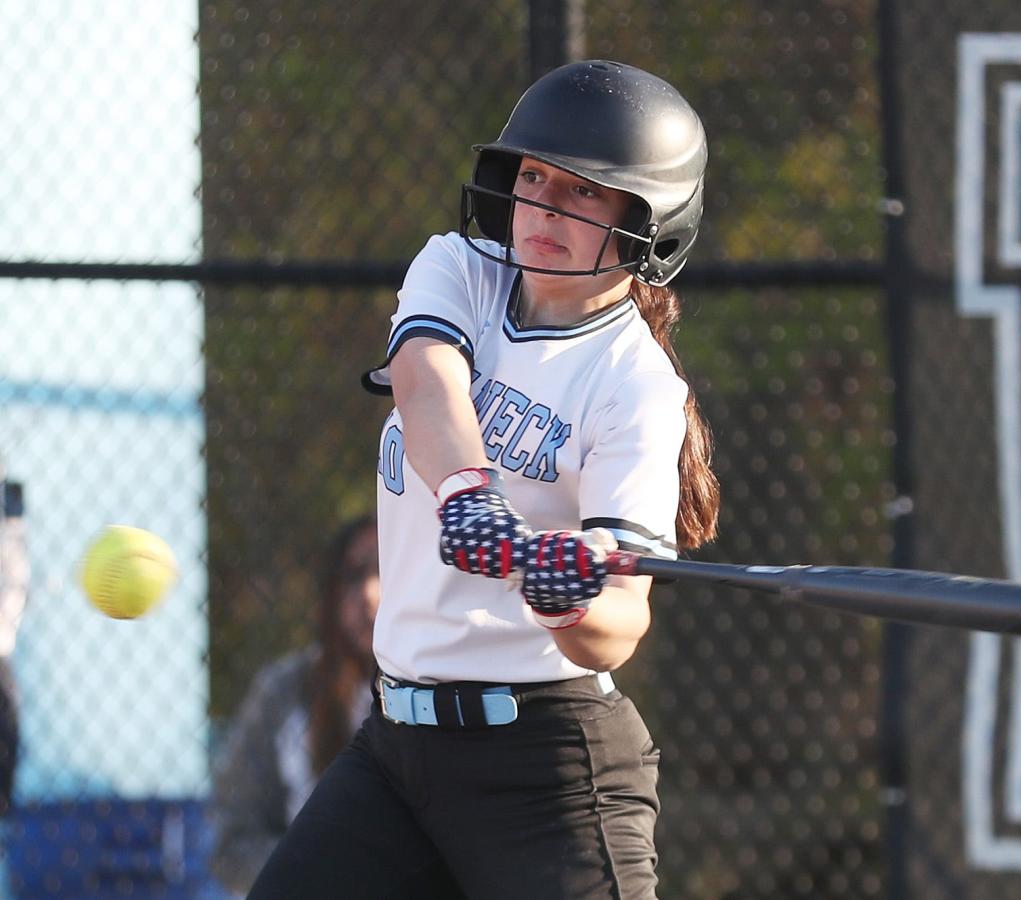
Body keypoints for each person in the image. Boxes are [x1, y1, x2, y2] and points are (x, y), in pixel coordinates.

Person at [249, 59, 719, 900]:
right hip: (394, 751)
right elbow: (427, 381)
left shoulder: (635, 386)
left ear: (651, 228)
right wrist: (469, 494)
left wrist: (567, 595)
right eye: (535, 178)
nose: (544, 206)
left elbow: (619, 623)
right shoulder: (462, 266)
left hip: (543, 767)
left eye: (584, 193)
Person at [210, 515, 379, 895]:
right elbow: (233, 841)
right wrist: (311, 880)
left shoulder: (442, 696)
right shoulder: (282, 691)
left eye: (386, 571)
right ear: (330, 594)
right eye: (353, 576)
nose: (369, 593)